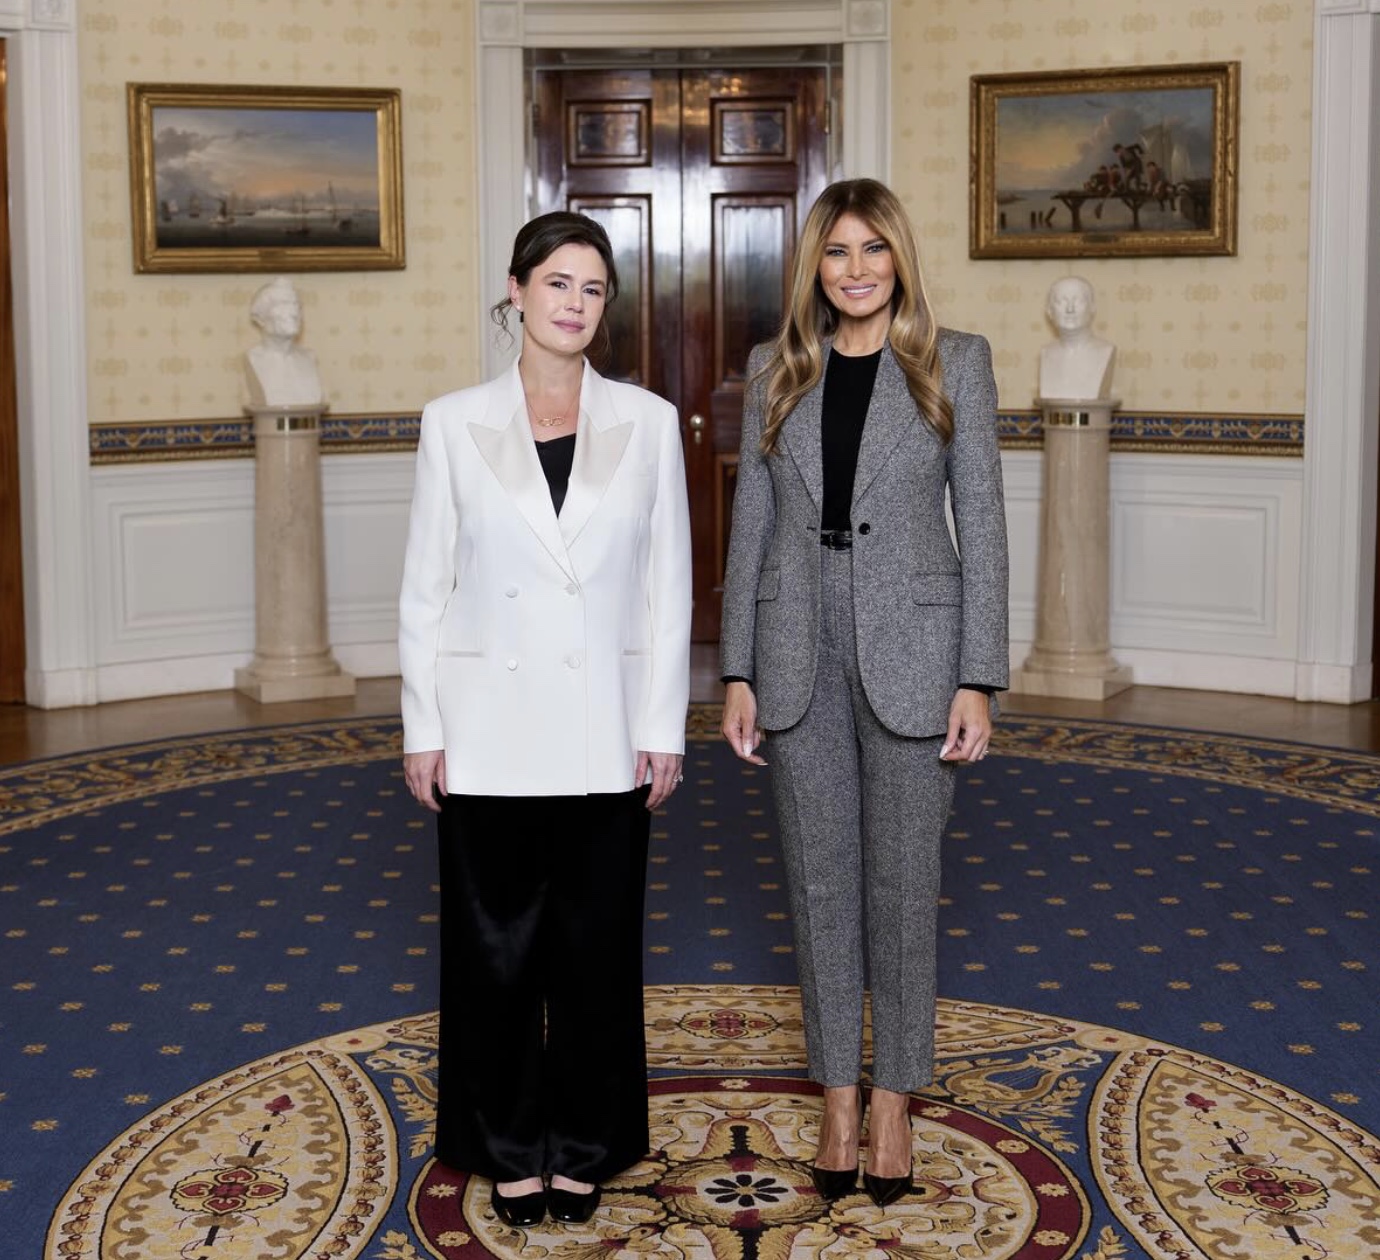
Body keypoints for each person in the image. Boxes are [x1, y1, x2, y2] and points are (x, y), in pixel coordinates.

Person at [398, 211, 692, 1229]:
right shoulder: (453, 422)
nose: (575, 303)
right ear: (516, 290)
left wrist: (664, 725)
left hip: (606, 725)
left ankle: (589, 1144)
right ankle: (507, 1144)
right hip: (486, 726)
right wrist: (422, 727)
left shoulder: (648, 421)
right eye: (558, 282)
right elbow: (425, 589)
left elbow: (667, 587)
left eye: (593, 288)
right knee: (494, 955)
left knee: (596, 954)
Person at [719, 179, 1008, 1208]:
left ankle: (894, 1101)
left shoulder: (955, 361)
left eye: (873, 250)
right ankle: (838, 1095)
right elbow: (751, 527)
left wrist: (978, 676)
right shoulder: (775, 368)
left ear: (899, 261)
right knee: (819, 885)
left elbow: (984, 523)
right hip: (795, 645)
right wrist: (738, 668)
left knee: (902, 886)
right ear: (816, 266)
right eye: (837, 252)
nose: (856, 270)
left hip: (917, 649)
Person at [244, 276, 325, 407]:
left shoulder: (309, 357)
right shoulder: (254, 358)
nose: (293, 313)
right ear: (260, 318)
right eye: (282, 305)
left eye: (296, 305)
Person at [1038, 276, 1116, 400]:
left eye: (1078, 301)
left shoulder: (1105, 351)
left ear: (1092, 308)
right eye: (1061, 301)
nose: (1070, 309)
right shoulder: (1046, 352)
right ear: (1049, 311)